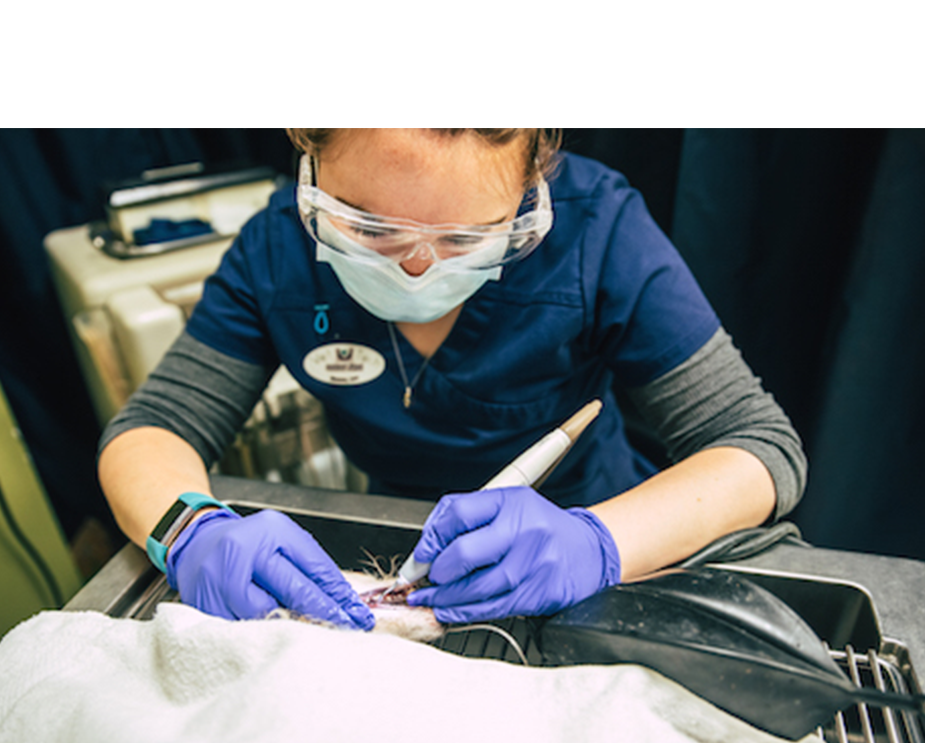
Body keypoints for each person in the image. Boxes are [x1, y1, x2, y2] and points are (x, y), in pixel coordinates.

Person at [98, 128, 805, 630]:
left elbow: (758, 447)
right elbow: (152, 429)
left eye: (467, 239)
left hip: (588, 550)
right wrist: (189, 527)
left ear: (531, 187)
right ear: (309, 156)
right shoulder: (275, 250)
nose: (416, 269)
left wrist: (597, 542)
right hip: (396, 549)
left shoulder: (599, 231)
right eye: (368, 229)